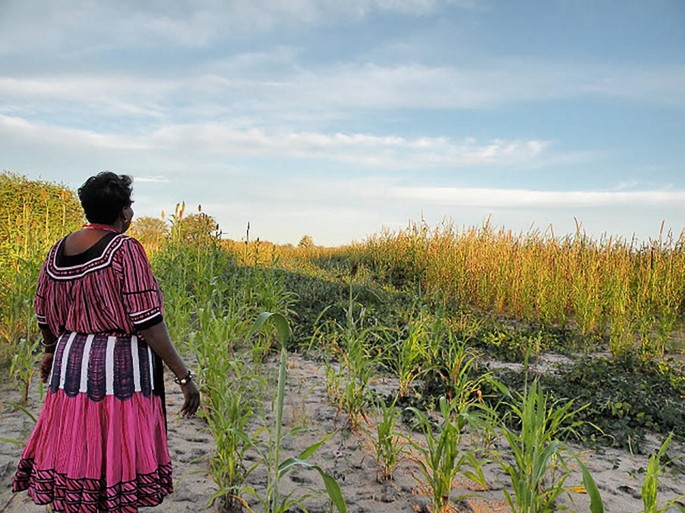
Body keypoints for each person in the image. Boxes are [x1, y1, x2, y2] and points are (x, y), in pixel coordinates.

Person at [12, 172, 200, 513]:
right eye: (129, 206)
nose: (131, 213)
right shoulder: (125, 249)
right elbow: (149, 324)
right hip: (119, 371)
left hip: (71, 368)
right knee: (114, 451)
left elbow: (44, 312)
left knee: (79, 449)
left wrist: (52, 350)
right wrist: (184, 378)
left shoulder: (59, 249)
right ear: (123, 212)